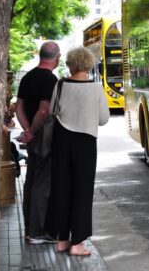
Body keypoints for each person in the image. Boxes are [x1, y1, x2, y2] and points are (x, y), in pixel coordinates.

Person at [47, 46, 109, 256]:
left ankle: (62, 240)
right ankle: (78, 244)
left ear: (70, 64)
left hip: (61, 140)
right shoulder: (96, 88)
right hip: (85, 142)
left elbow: (52, 110)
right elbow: (103, 119)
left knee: (62, 189)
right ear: (89, 64)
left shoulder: (61, 84)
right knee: (82, 192)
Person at [14, 41, 61, 244]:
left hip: (32, 136)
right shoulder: (51, 80)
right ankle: (37, 232)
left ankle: (29, 229)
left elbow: (18, 108)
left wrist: (26, 131)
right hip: (44, 136)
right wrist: (32, 131)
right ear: (57, 58)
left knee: (31, 181)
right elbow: (44, 110)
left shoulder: (27, 77)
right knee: (43, 183)